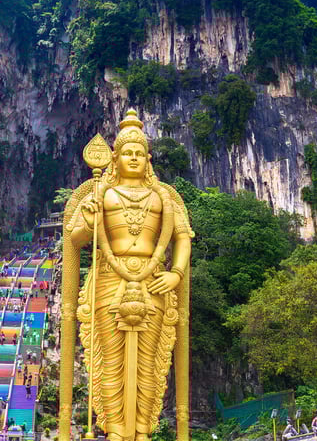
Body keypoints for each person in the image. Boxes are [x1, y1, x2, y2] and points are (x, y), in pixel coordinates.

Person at [59, 110, 192, 441]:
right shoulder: (100, 194)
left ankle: (144, 430)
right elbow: (74, 238)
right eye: (126, 153)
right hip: (108, 280)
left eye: (138, 154)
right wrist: (90, 220)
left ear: (147, 159)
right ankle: (116, 430)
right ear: (114, 158)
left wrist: (176, 273)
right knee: (110, 359)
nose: (132, 158)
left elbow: (183, 236)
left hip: (154, 280)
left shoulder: (163, 197)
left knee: (149, 361)